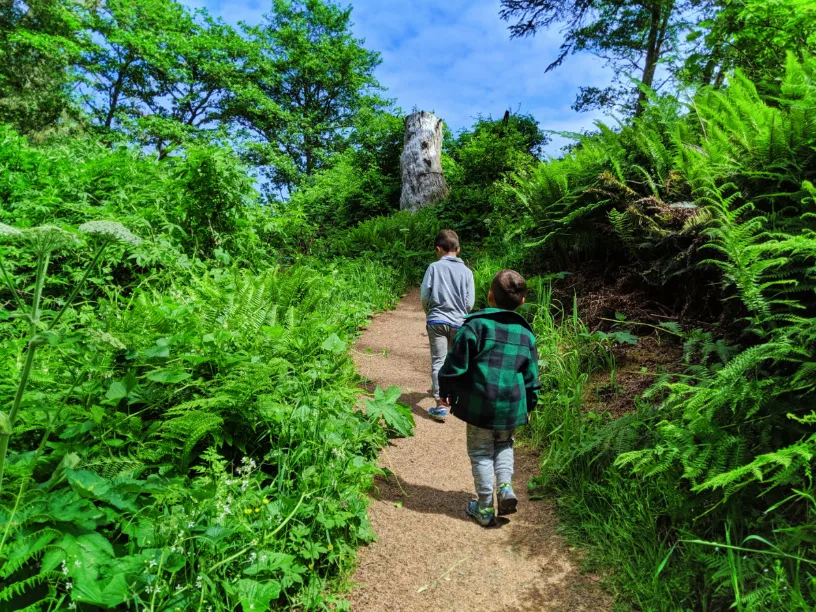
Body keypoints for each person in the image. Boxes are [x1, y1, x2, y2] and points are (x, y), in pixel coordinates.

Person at [438, 269, 541, 527]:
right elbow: (532, 377)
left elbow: (455, 364)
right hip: (511, 407)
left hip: (480, 404)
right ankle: (505, 487)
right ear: (522, 302)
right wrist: (531, 403)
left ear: (490, 296)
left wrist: (445, 389)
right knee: (504, 445)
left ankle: (484, 509)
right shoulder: (526, 335)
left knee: (481, 451)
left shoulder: (475, 326)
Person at [420, 229, 475, 422]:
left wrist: (430, 313)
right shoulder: (467, 272)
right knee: (456, 361)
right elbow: (469, 302)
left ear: (438, 249)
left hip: (437, 320)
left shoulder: (434, 268)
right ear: (458, 249)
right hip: (459, 322)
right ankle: (457, 399)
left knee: (438, 361)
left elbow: (425, 296)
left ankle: (439, 405)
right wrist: (461, 315)